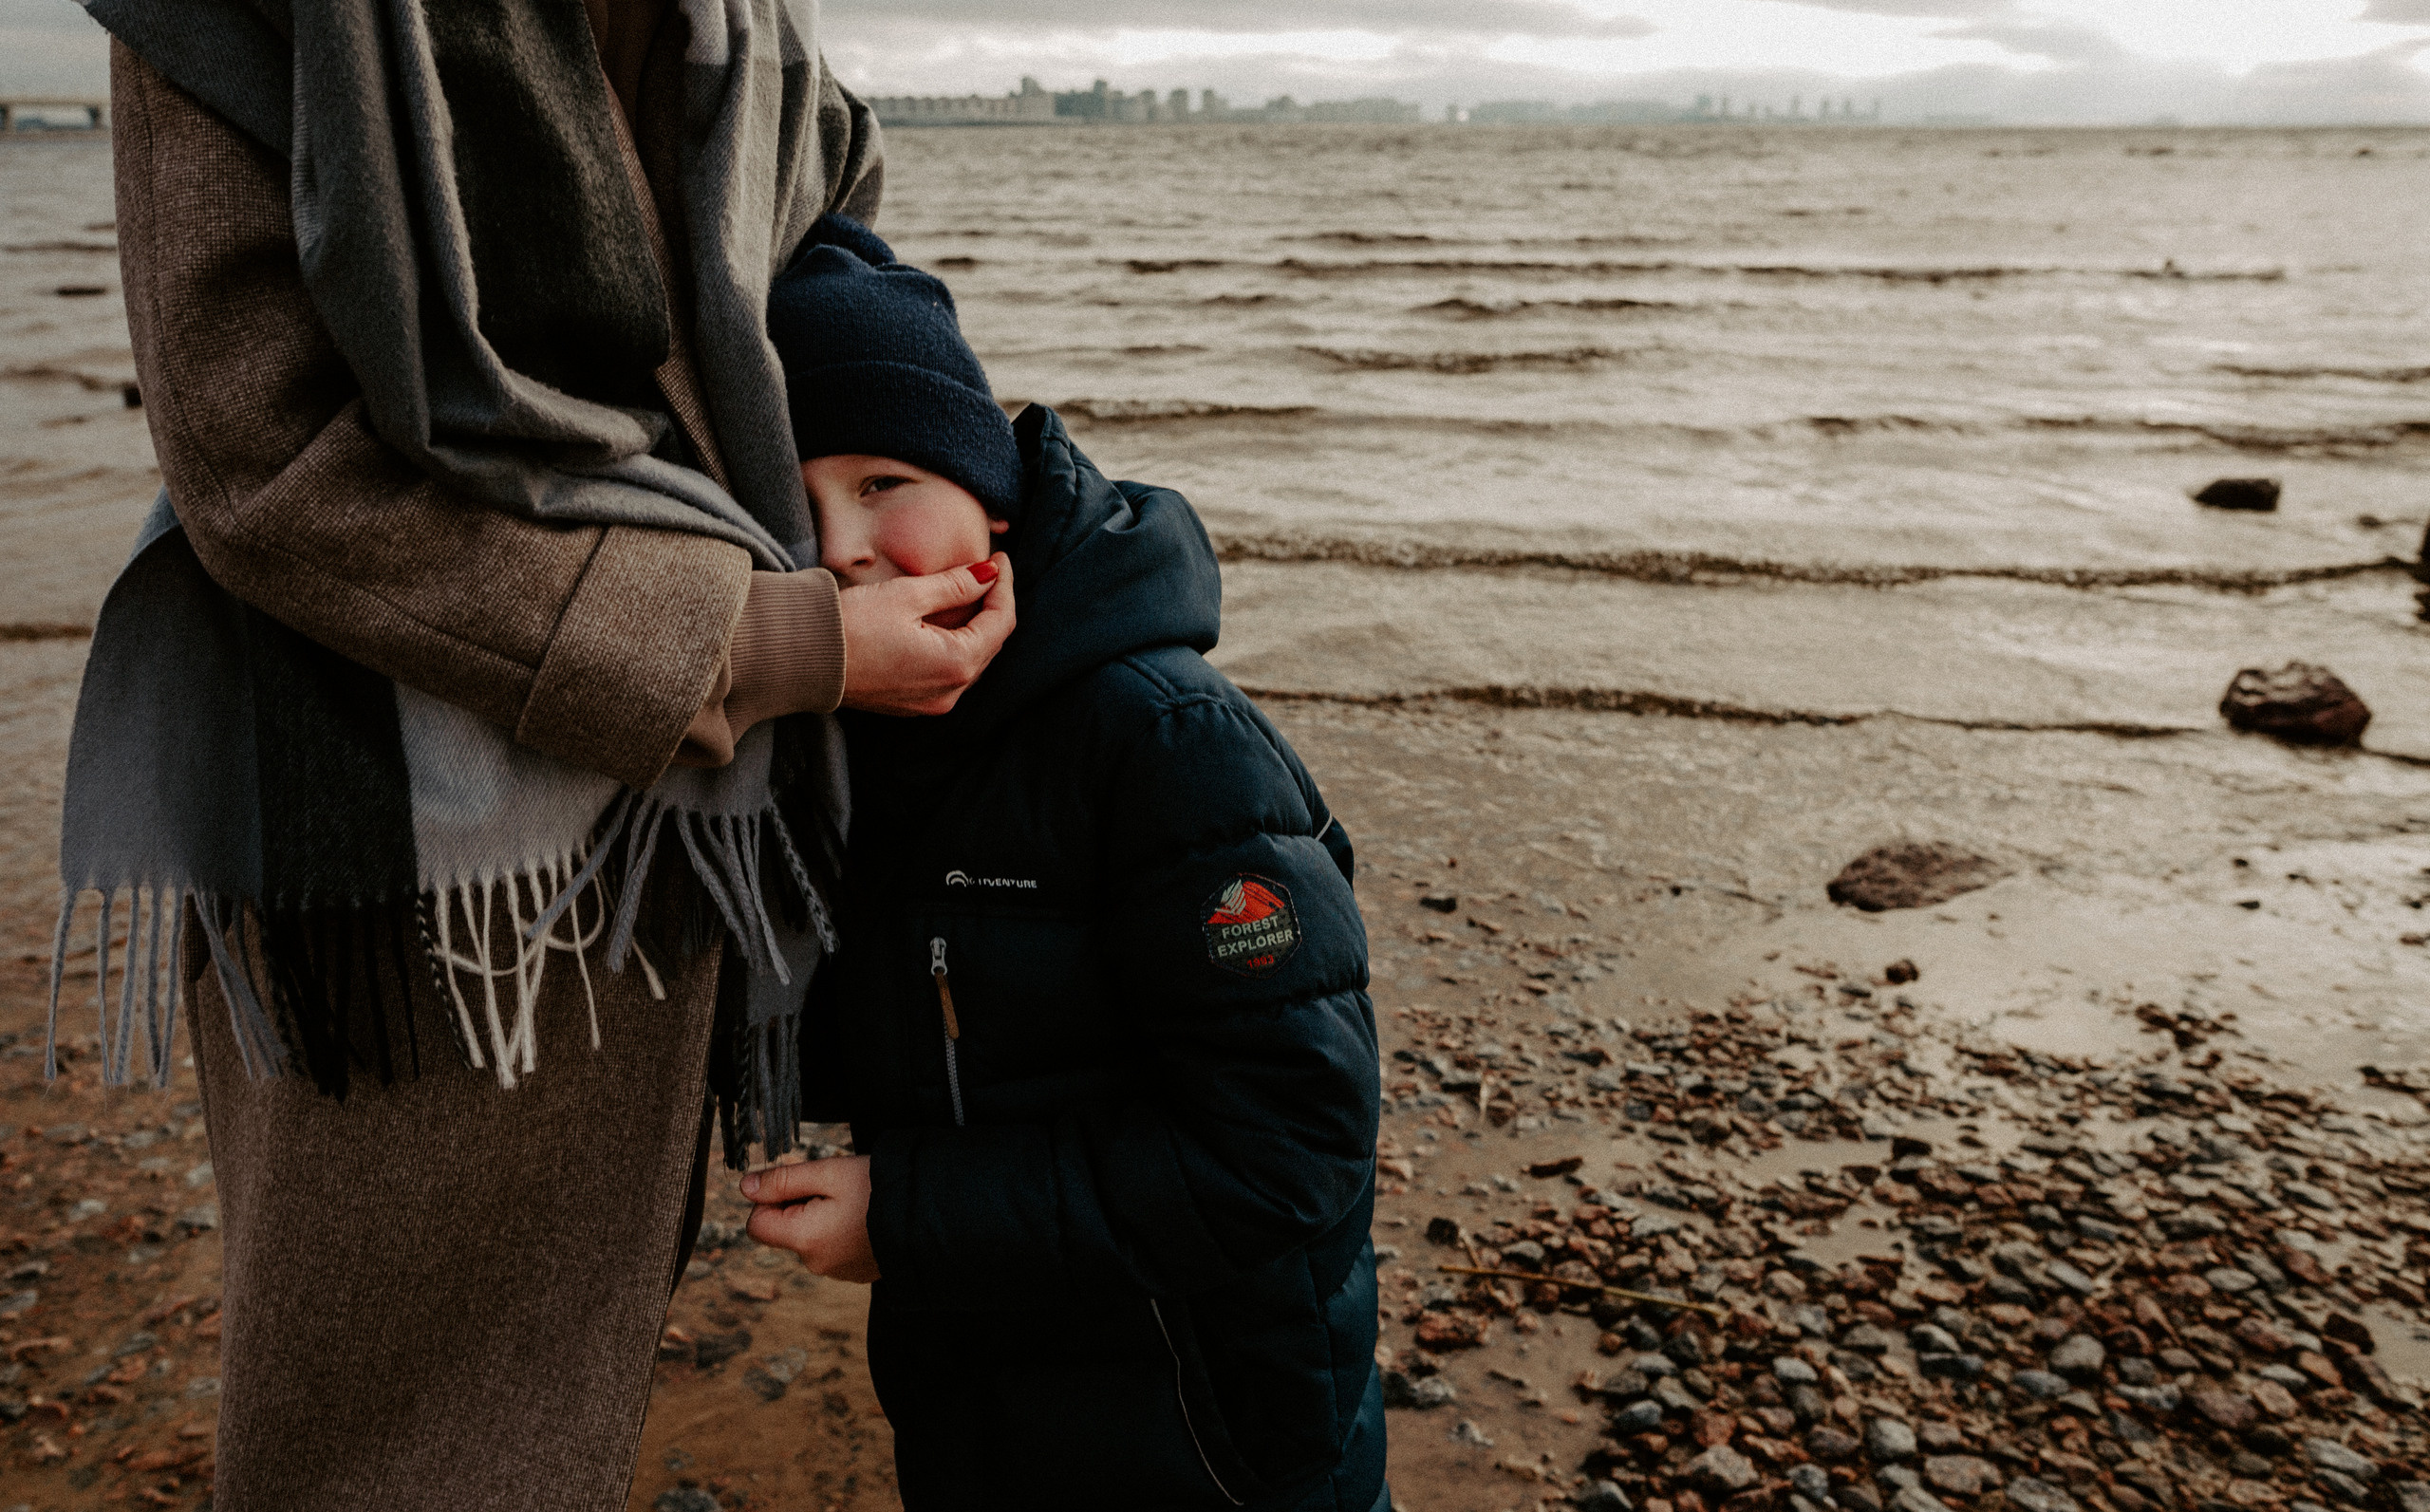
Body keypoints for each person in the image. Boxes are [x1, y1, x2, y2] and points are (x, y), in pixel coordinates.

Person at [58, 5, 1010, 1507]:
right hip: (401, 848)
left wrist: (918, 485)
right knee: (381, 1435)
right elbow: (264, 463)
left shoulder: (743, 18)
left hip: (669, 833)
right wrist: (775, 643)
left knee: (550, 1407)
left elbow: (829, 238)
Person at [740, 217, 1390, 1512]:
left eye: (884, 484)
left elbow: (1292, 1143)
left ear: (991, 491)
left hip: (1209, 1417)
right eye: (796, 509)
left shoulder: (1167, 739)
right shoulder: (838, 751)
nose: (845, 550)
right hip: (980, 1394)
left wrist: (907, 1215)